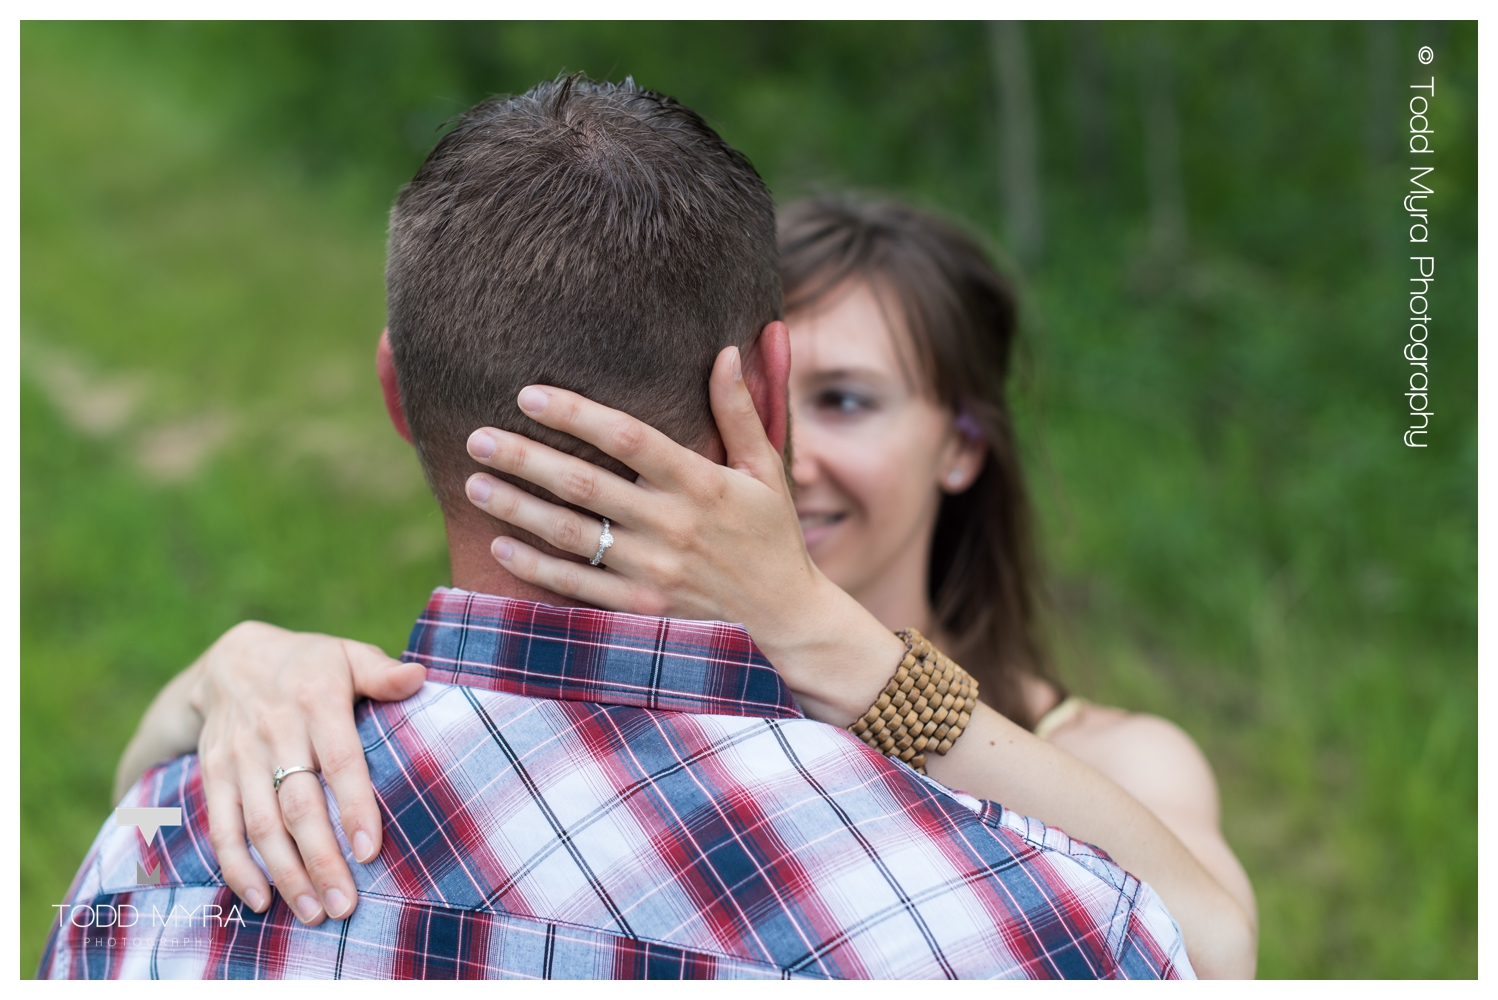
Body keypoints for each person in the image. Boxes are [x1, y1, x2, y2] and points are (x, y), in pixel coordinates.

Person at [40, 76, 1231, 980]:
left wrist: (816, 627)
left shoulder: (164, 862)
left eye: (851, 399)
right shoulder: (1033, 918)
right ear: (756, 395)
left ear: (398, 392)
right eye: (794, 401)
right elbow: (1190, 939)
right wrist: (220, 680)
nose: (794, 461)